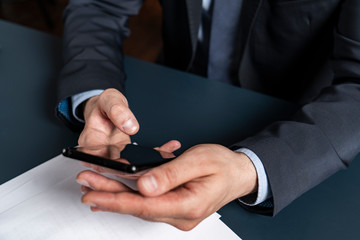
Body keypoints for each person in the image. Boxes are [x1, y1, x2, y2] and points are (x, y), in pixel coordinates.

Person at [56, 0, 360, 231]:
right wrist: (94, 96)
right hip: (171, 92)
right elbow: (99, 6)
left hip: (304, 135)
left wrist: (251, 169)